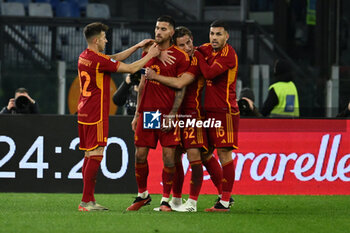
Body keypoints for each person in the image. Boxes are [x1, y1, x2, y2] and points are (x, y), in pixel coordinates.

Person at [77, 22, 160, 212]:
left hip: (84, 111)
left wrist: (138, 46)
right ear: (97, 40)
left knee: (89, 154)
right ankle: (86, 202)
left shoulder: (85, 56)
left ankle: (87, 200)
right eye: (104, 37)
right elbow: (131, 69)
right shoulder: (98, 60)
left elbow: (112, 59)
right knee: (96, 154)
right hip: (96, 113)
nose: (106, 40)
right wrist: (150, 55)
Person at [145, 26, 229, 212]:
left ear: (193, 39)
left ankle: (195, 202)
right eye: (182, 45)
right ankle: (175, 200)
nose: (187, 47)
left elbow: (181, 83)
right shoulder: (176, 58)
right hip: (173, 113)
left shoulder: (196, 59)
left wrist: (155, 76)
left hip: (193, 114)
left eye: (189, 43)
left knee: (198, 156)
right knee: (174, 156)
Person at [126, 15, 190, 212]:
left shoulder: (180, 57)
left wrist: (172, 114)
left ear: (171, 32)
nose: (158, 32)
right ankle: (143, 195)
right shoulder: (150, 51)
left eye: (163, 29)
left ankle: (165, 200)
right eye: (156, 28)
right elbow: (143, 82)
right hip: (148, 113)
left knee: (169, 158)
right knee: (140, 155)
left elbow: (181, 88)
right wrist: (137, 113)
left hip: (167, 113)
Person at [194, 20, 239, 212]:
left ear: (227, 36)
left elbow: (210, 73)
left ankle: (225, 201)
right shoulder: (206, 49)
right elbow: (194, 48)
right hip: (207, 111)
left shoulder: (229, 55)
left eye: (218, 34)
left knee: (224, 153)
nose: (214, 38)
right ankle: (224, 194)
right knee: (204, 153)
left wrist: (197, 55)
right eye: (212, 33)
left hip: (225, 111)